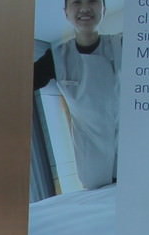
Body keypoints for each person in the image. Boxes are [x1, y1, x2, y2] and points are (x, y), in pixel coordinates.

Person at [33, 0, 122, 191]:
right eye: (76, 2)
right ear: (66, 12)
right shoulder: (56, 58)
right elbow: (17, 86)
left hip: (131, 149)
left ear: (104, 9)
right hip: (92, 160)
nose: (85, 8)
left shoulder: (123, 46)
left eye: (93, 1)